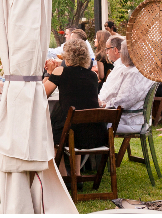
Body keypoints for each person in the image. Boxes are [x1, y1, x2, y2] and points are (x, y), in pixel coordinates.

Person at [44, 38, 105, 176]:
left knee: (50, 132)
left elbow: (43, 94)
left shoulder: (60, 71)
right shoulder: (93, 76)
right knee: (74, 122)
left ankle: (64, 175)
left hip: (70, 132)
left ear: (67, 56)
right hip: (94, 132)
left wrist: (49, 73)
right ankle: (76, 175)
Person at [98, 38, 152, 134]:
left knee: (92, 122)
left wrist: (103, 104)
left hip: (129, 121)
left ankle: (100, 148)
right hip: (132, 117)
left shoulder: (134, 73)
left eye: (121, 51)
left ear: (127, 53)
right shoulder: (139, 69)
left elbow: (123, 101)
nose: (120, 53)